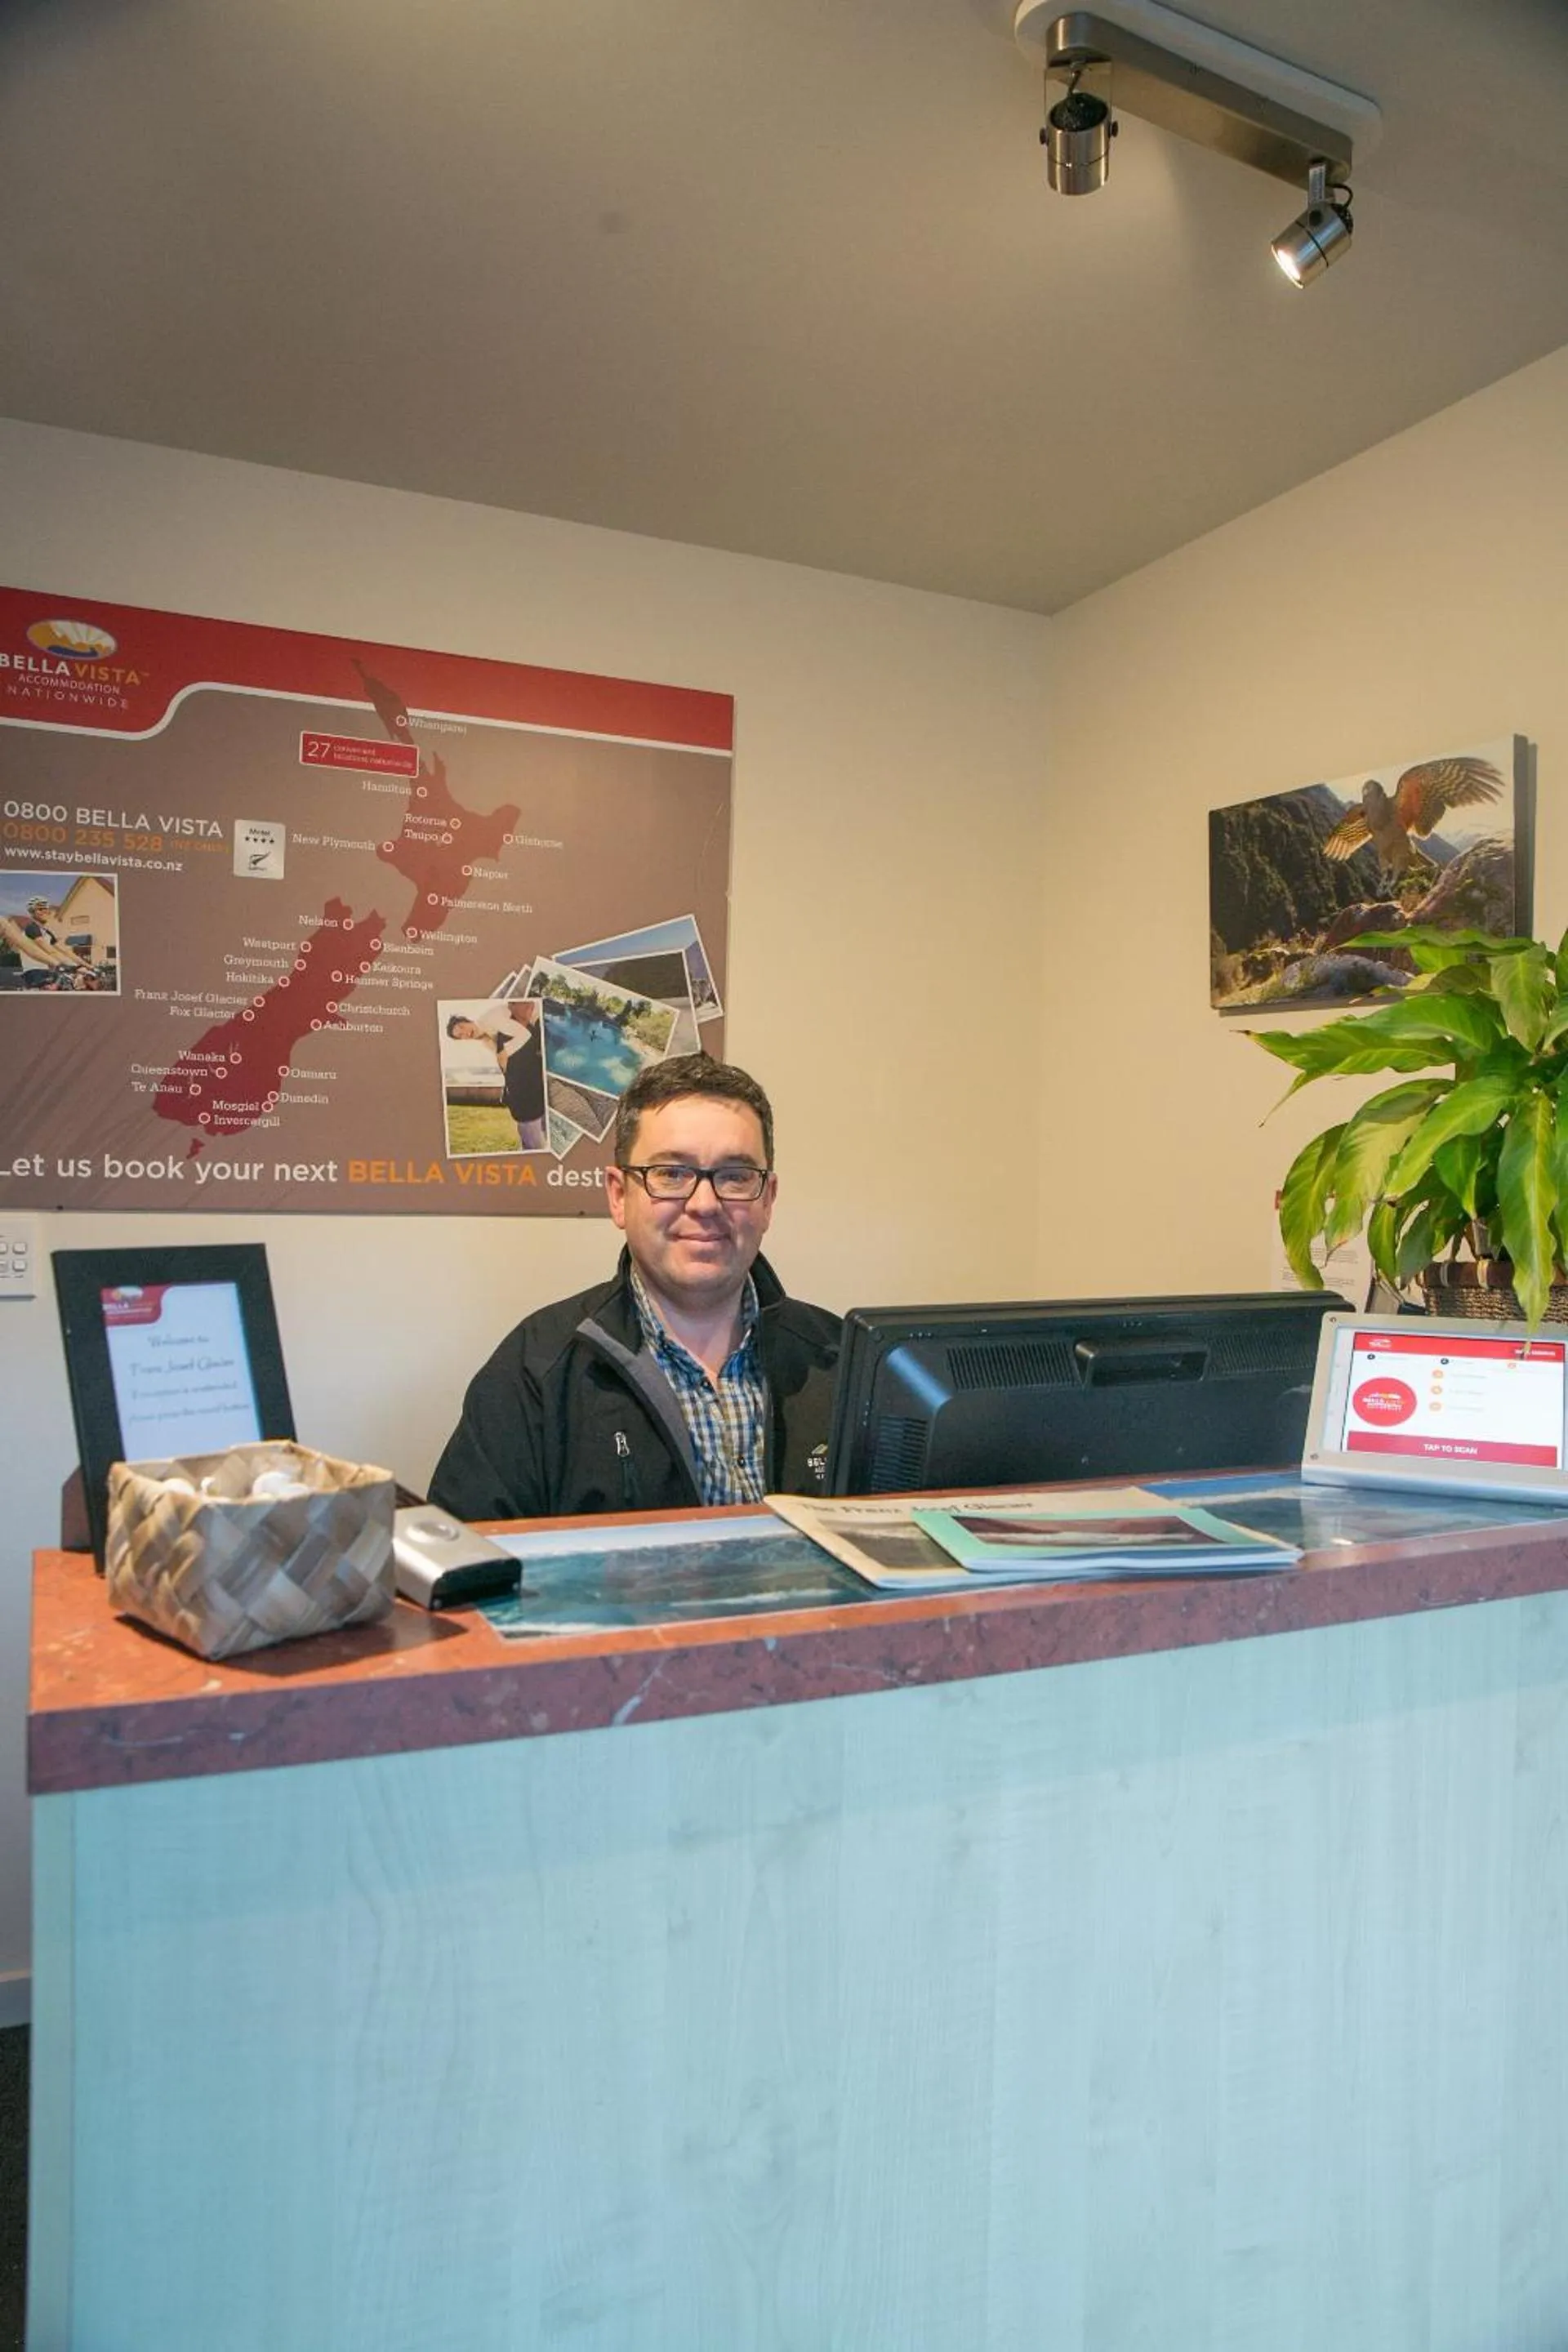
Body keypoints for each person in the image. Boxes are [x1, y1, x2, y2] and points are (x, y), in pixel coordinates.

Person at [429, 1053, 840, 1520]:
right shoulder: (535, 1369)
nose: (705, 1203)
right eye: (671, 1174)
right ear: (619, 1196)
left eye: (735, 1176)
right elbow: (464, 1566)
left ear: (767, 1200)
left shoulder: (843, 1359)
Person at [446, 1002, 546, 1150]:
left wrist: (504, 1054)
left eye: (462, 1028)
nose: (465, 1034)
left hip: (538, 1022)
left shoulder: (491, 1020)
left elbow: (524, 1035)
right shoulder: (486, 1040)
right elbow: (506, 1064)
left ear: (467, 1021)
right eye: (460, 1036)